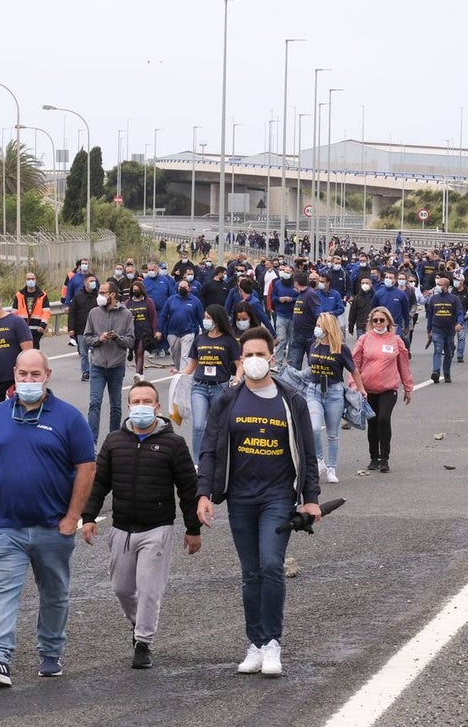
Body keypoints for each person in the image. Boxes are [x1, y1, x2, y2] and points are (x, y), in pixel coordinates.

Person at [195, 327, 321, 678]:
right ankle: (256, 642)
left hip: (277, 497)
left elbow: (308, 454)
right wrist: (204, 493)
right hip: (240, 498)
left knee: (270, 565)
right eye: (247, 355)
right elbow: (209, 449)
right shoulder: (227, 401)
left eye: (259, 354)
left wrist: (311, 499)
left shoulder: (291, 400)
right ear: (240, 359)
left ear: (272, 357)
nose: (254, 360)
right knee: (250, 573)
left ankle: (273, 643)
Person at [0, 349, 96, 687]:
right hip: (6, 526)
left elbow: (86, 468)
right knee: (3, 592)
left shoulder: (69, 418)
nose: (28, 380)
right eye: (23, 374)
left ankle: (51, 653)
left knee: (54, 594)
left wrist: (73, 517)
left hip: (52, 527)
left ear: (47, 376)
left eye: (35, 375)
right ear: (14, 373)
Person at [82, 381, 201, 670]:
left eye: (147, 401)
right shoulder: (114, 441)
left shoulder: (174, 444)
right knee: (122, 588)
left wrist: (193, 529)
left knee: (149, 589)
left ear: (157, 407)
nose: (141, 406)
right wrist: (88, 517)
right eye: (136, 401)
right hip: (122, 529)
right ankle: (138, 623)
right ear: (128, 406)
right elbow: (100, 483)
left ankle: (143, 643)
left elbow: (188, 489)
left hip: (157, 529)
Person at [304, 313, 366, 484]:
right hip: (314, 391)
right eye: (316, 325)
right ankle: (319, 460)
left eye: (319, 325)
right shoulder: (314, 344)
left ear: (328, 327)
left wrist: (361, 389)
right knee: (314, 428)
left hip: (334, 393)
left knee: (332, 434)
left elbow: (353, 370)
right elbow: (310, 368)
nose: (316, 329)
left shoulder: (341, 348)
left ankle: (331, 468)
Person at [352, 308, 414, 473]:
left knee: (384, 419)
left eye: (381, 320)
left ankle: (385, 458)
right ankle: (374, 457)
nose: (378, 323)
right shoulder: (364, 339)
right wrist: (355, 386)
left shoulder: (396, 340)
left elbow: (404, 366)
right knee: (372, 422)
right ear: (371, 322)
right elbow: (354, 365)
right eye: (375, 320)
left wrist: (408, 387)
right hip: (368, 390)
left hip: (388, 388)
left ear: (388, 321)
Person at [179, 304, 241, 463]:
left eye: (208, 318)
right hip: (199, 387)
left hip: (220, 388)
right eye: (205, 317)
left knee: (216, 426)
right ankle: (197, 462)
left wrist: (237, 378)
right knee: (198, 426)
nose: (205, 320)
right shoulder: (200, 339)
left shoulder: (229, 340)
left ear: (217, 320)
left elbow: (239, 364)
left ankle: (216, 458)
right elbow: (192, 364)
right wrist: (179, 375)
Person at [83, 282, 134, 442]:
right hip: (97, 366)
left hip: (116, 367)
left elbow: (130, 341)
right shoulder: (94, 313)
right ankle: (92, 442)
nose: (100, 296)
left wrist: (117, 338)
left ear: (112, 294)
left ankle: (114, 441)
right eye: (99, 292)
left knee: (116, 405)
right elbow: (86, 338)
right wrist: (99, 339)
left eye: (103, 293)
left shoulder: (126, 314)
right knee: (94, 403)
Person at [159, 279, 204, 372]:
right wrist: (159, 330)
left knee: (185, 356)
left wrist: (205, 332)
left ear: (189, 288)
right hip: (172, 332)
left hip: (188, 332)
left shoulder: (195, 301)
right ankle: (178, 369)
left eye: (184, 287)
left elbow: (201, 318)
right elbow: (163, 315)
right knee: (175, 355)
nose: (182, 288)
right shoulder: (171, 300)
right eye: (180, 287)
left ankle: (183, 375)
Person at [426, 275, 464, 384]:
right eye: (437, 284)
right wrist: (429, 330)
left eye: (440, 285)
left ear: (446, 286)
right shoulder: (434, 299)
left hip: (450, 330)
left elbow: (459, 312)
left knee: (448, 352)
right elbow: (430, 315)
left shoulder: (454, 299)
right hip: (437, 329)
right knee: (438, 350)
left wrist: (460, 323)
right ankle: (436, 372)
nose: (437, 286)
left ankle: (447, 373)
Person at [124, 279, 160, 382]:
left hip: (144, 332)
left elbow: (153, 318)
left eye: (138, 290)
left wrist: (155, 331)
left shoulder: (148, 302)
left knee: (140, 352)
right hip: (132, 332)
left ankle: (137, 373)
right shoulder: (128, 303)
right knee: (136, 352)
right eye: (134, 290)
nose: (136, 292)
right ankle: (140, 373)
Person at [67, 273, 99, 381]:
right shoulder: (78, 297)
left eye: (94, 281)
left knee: (96, 352)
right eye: (91, 281)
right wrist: (71, 329)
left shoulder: (99, 297)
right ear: (85, 283)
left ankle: (96, 371)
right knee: (83, 353)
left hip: (96, 329)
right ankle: (85, 372)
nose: (93, 283)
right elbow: (72, 314)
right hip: (81, 329)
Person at [286, 272, 321, 370]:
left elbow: (318, 313)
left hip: (309, 335)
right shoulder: (301, 294)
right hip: (297, 335)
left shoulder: (310, 294)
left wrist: (319, 329)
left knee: (312, 364)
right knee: (293, 365)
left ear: (296, 282)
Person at [15, 272, 51, 349]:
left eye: (32, 279)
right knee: (23, 351)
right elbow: (14, 312)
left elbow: (46, 312)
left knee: (34, 350)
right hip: (22, 328)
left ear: (35, 280)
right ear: (25, 280)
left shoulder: (42, 295)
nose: (30, 281)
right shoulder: (19, 295)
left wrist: (43, 325)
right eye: (28, 279)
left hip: (36, 329)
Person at [450, 274, 468, 364]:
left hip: (463, 318)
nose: (456, 282)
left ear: (462, 281)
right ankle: (451, 348)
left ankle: (460, 355)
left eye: (458, 280)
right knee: (449, 337)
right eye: (454, 279)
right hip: (451, 318)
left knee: (461, 337)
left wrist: (467, 314)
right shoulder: (450, 291)